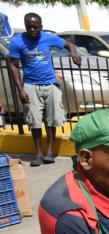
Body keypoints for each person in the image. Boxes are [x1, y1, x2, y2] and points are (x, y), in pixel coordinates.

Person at [8, 13, 82, 167]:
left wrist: (74, 53)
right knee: (34, 121)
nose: (32, 29)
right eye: (29, 26)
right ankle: (38, 154)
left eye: (36, 27)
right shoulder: (17, 42)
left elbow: (69, 45)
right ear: (25, 25)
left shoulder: (49, 38)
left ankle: (49, 152)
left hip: (50, 84)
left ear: (41, 26)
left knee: (51, 120)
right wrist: (20, 89)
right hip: (30, 85)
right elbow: (13, 66)